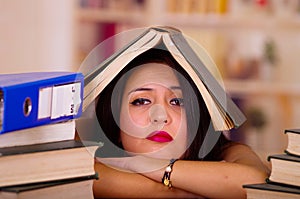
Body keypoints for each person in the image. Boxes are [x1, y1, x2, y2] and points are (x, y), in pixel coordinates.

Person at [92, 47, 269, 198]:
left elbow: (253, 184)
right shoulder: (82, 151)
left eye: (177, 101)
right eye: (142, 101)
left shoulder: (225, 151)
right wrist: (196, 188)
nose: (160, 116)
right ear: (114, 119)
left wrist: (134, 163)